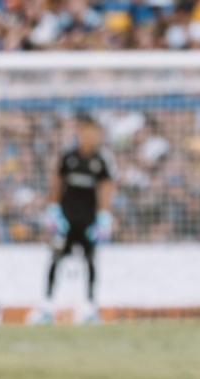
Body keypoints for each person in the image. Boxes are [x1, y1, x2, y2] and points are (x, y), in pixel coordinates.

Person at [38, 113, 116, 323]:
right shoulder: (68, 157)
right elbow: (56, 183)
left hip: (89, 221)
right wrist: (53, 210)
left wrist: (104, 216)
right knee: (56, 259)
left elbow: (106, 188)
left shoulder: (101, 161)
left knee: (90, 261)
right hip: (67, 220)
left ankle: (90, 307)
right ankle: (47, 306)